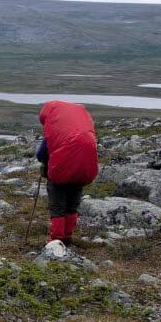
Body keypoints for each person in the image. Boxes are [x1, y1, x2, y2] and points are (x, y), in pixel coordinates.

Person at [36, 100, 99, 245]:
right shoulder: (84, 130)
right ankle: (67, 238)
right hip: (80, 172)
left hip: (59, 174)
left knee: (57, 209)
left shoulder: (54, 130)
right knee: (72, 206)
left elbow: (41, 154)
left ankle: (56, 241)